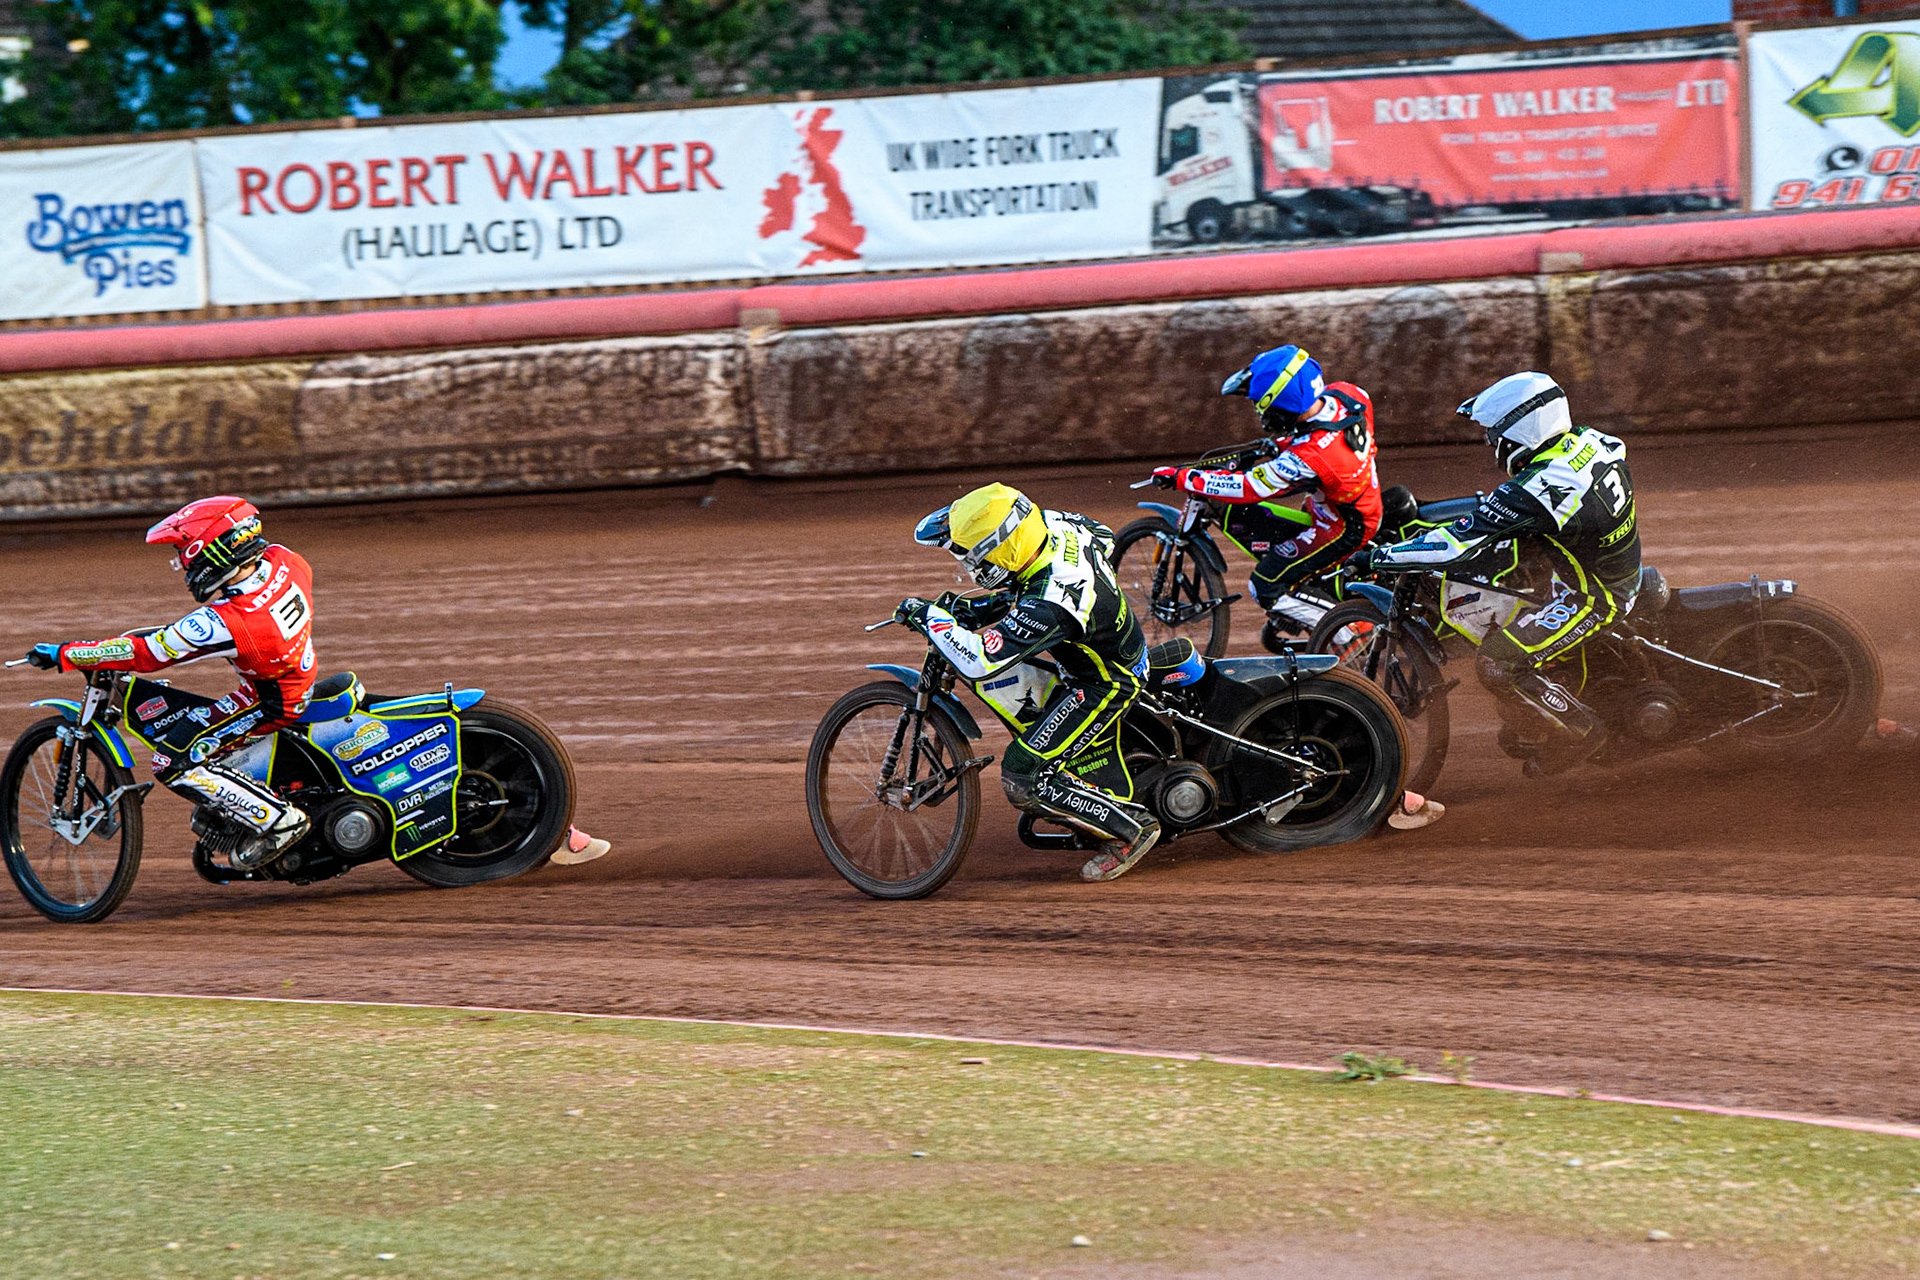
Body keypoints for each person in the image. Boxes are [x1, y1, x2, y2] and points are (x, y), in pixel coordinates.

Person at [1347, 372, 1641, 777]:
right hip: (1605, 566)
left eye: (1494, 434)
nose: (1490, 443)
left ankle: (1585, 731)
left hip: (1592, 596)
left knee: (1497, 662)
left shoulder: (1537, 488)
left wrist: (1379, 557)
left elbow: (1454, 545)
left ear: (1520, 432)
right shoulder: (1590, 440)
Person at [24, 496, 318, 868]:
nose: (181, 563)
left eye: (184, 551)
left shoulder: (230, 621)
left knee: (170, 762)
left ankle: (279, 822)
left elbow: (148, 655)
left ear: (213, 549)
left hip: (270, 701)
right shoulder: (286, 561)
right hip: (290, 678)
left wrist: (65, 652)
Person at [900, 483, 1160, 883]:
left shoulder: (1050, 601)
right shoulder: (1051, 525)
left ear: (1003, 547)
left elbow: (980, 659)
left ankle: (1132, 831)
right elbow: (1103, 537)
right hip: (1099, 645)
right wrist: (991, 605)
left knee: (1023, 773)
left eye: (972, 556)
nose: (969, 566)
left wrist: (930, 619)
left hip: (1104, 683)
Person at [1152, 344, 1382, 653]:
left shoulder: (1310, 457)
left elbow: (1248, 488)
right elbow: (1323, 433)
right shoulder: (1349, 393)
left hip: (1343, 527)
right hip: (1350, 499)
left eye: (1261, 405)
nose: (1259, 411)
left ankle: (1349, 634)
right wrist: (1283, 443)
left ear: (1282, 404)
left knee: (1265, 585)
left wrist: (1183, 477)